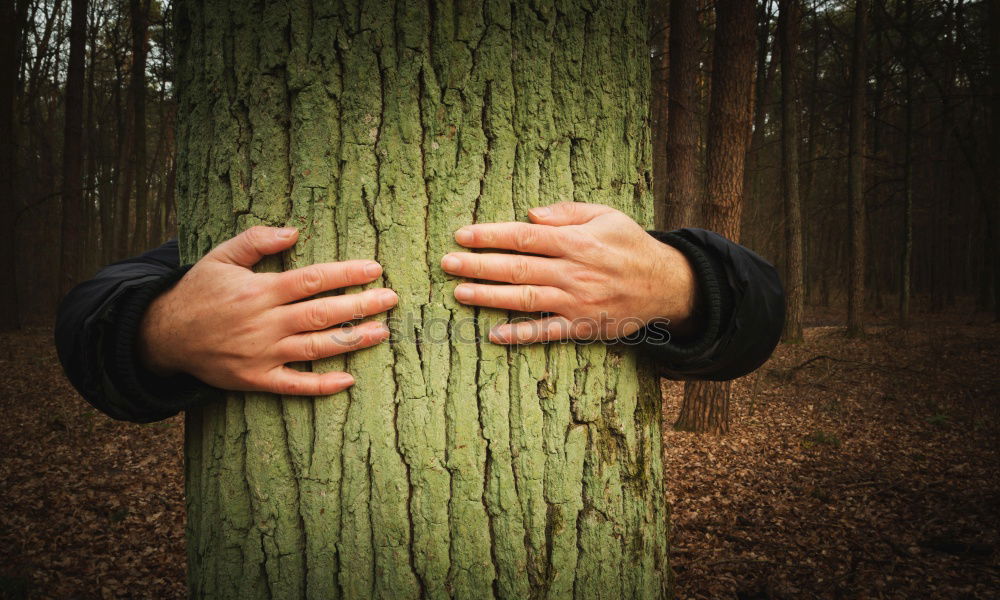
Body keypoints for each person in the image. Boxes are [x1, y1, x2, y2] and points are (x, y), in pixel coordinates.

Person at [55, 202, 785, 423]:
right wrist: (162, 330)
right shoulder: (235, 220)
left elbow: (764, 310)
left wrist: (682, 284)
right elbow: (88, 316)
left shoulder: (605, 214)